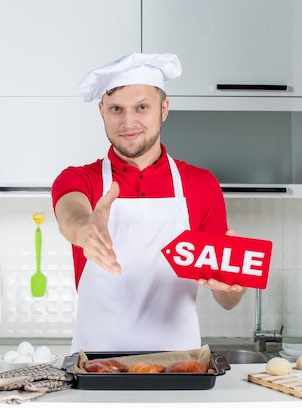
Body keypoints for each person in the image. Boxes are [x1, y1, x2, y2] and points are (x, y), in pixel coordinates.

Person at [51, 53, 246, 353]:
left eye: (142, 107)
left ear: (164, 109)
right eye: (117, 109)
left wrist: (233, 286)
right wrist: (83, 227)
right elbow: (70, 212)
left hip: (180, 368)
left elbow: (227, 299)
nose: (129, 122)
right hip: (96, 369)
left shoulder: (202, 185)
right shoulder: (80, 179)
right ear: (101, 111)